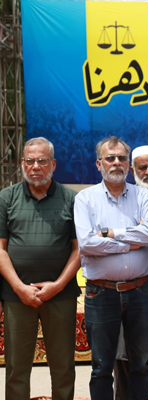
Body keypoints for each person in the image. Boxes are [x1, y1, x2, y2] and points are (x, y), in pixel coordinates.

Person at [74, 136, 148, 399]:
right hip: (101, 293)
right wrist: (128, 243)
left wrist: (110, 233)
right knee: (101, 367)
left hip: (141, 291)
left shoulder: (143, 195)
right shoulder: (85, 199)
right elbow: (87, 244)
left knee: (142, 365)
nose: (116, 163)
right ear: (98, 163)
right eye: (110, 158)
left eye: (122, 158)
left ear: (128, 164)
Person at [0, 137, 80, 400]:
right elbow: (0, 249)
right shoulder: (6, 198)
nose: (36, 166)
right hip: (17, 296)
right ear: (22, 163)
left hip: (61, 295)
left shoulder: (72, 199)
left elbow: (79, 249)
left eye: (42, 161)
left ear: (53, 164)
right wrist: (19, 287)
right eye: (30, 160)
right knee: (16, 368)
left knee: (63, 368)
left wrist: (56, 286)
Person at [114, 145, 148, 400]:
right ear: (132, 170)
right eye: (142, 168)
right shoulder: (119, 203)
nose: (147, 172)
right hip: (128, 293)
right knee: (127, 363)